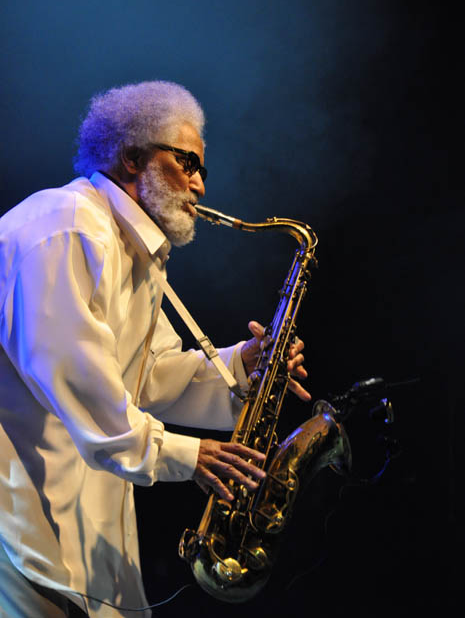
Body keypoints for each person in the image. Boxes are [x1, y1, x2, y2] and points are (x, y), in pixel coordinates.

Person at [0, 81, 309, 617]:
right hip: (18, 530)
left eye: (201, 170)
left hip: (78, 540)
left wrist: (243, 365)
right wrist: (188, 456)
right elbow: (82, 386)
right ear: (132, 157)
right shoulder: (67, 228)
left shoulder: (131, 250)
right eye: (187, 162)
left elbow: (147, 376)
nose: (200, 185)